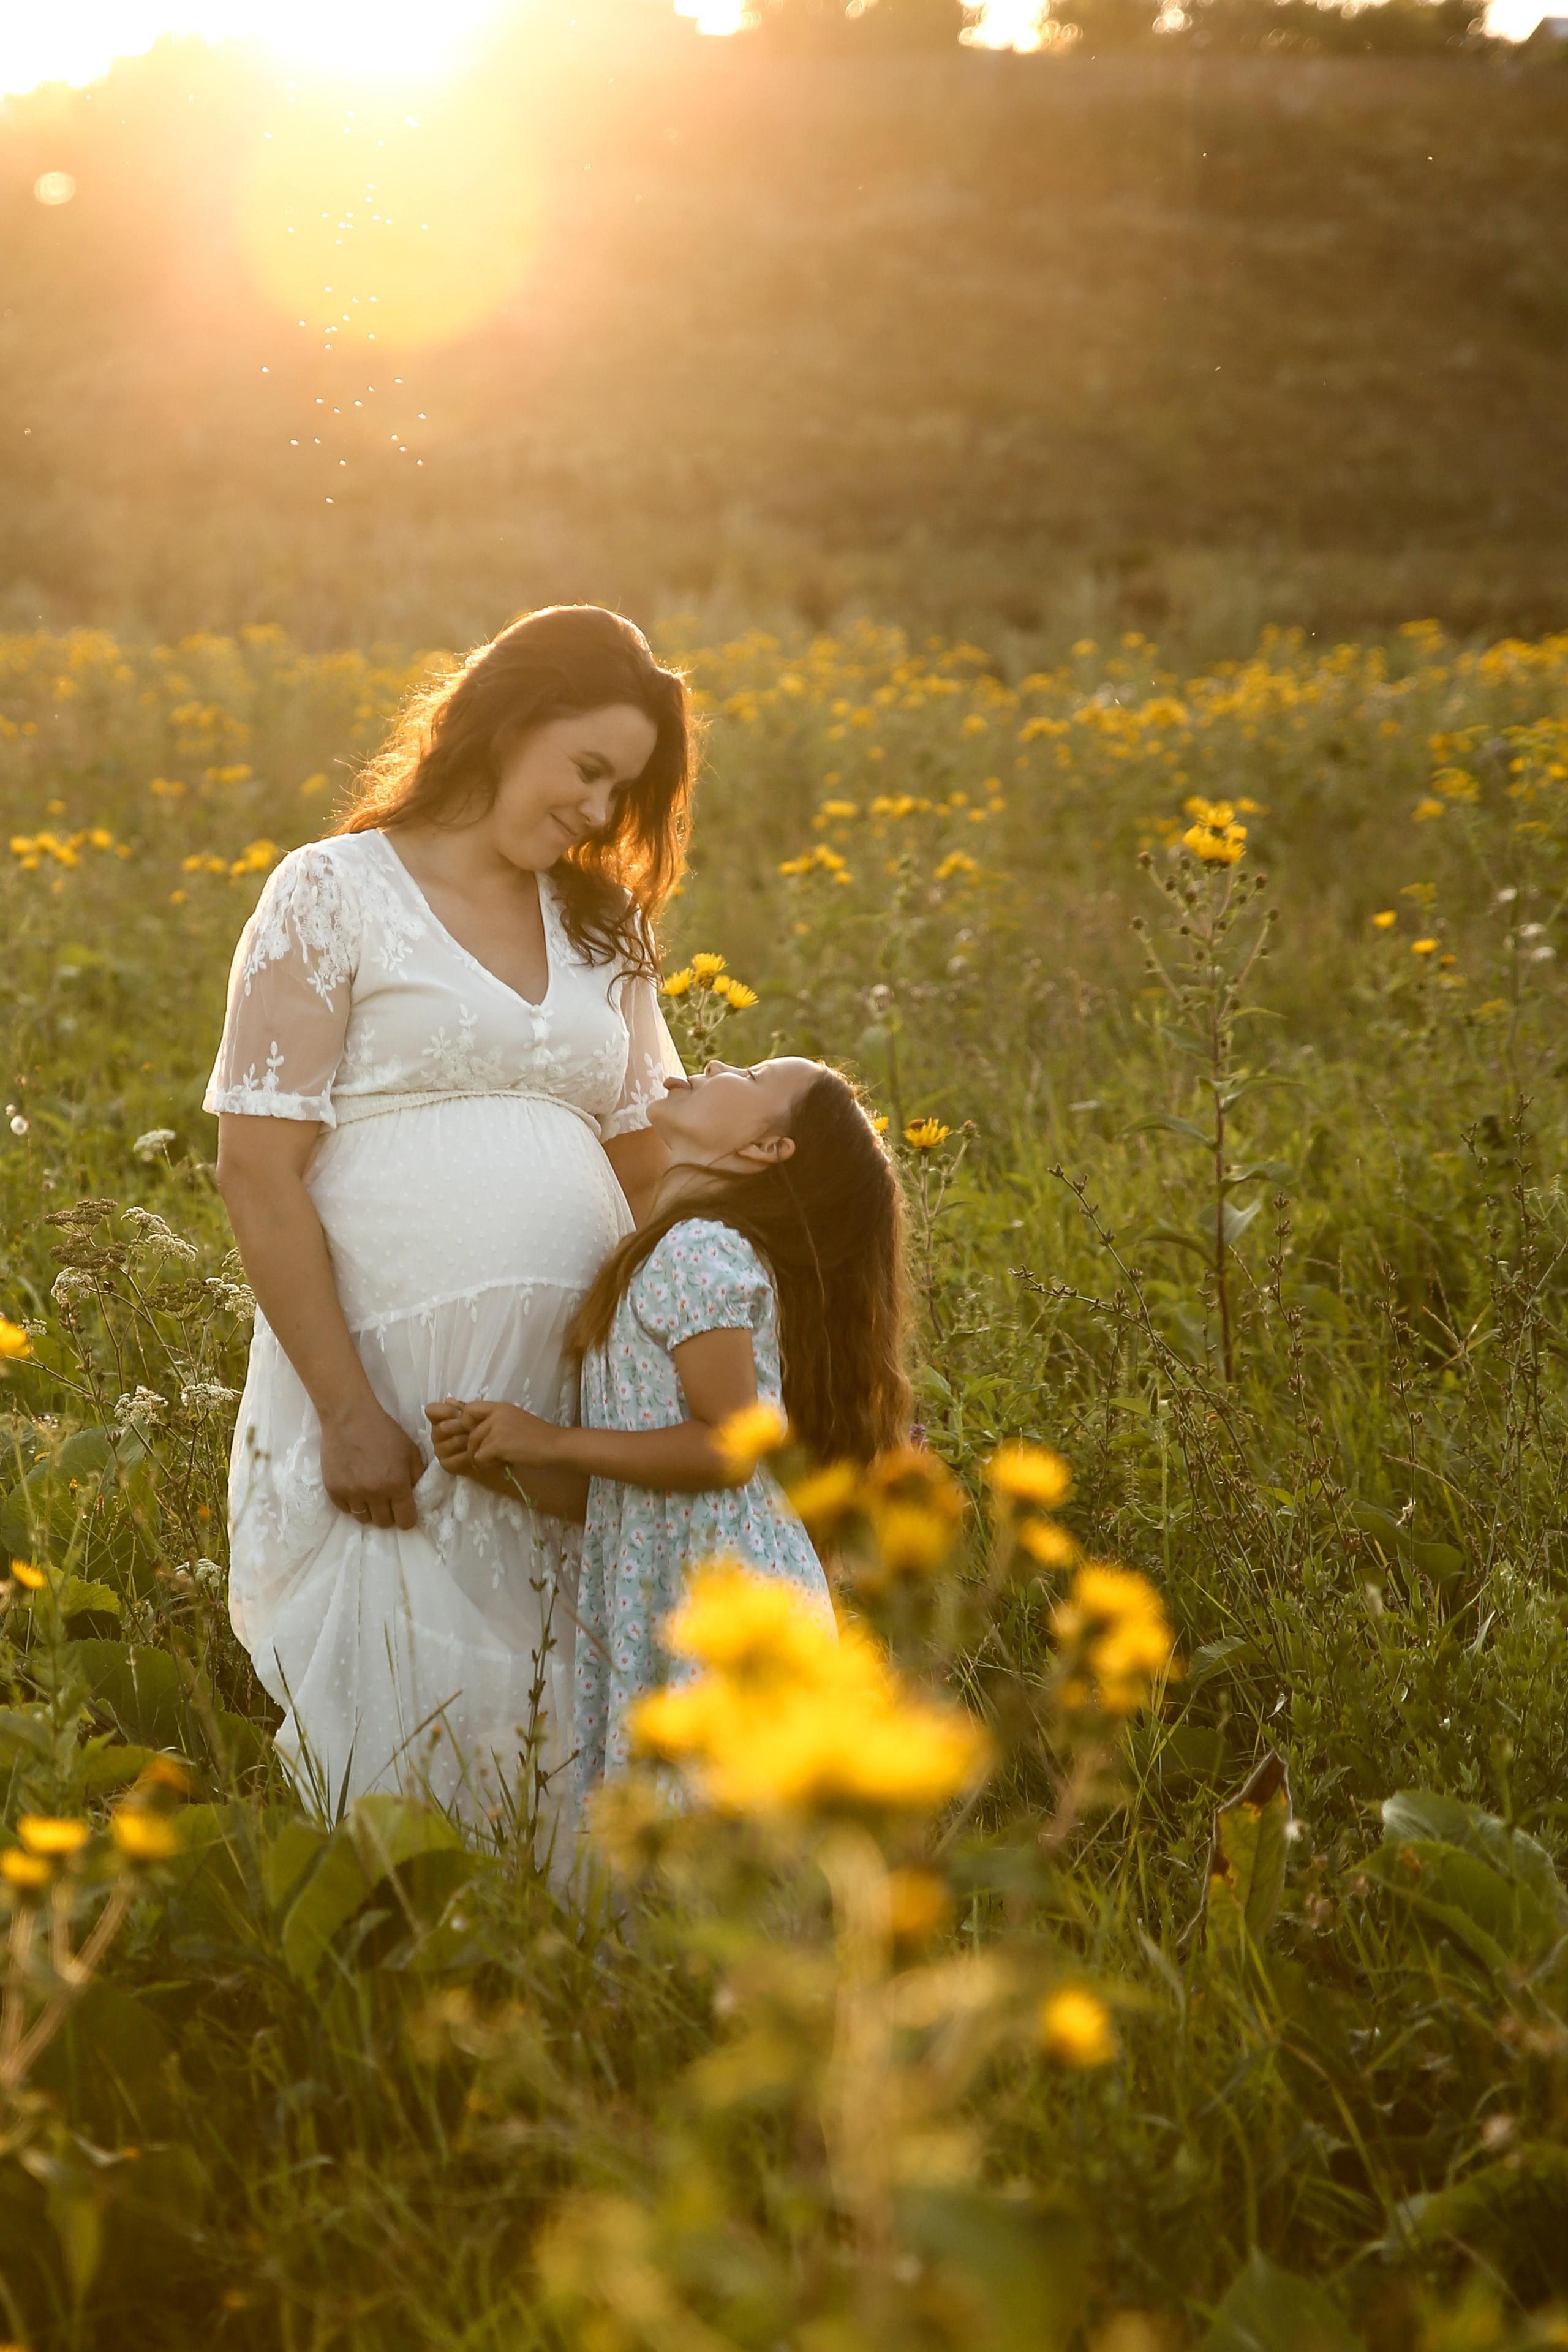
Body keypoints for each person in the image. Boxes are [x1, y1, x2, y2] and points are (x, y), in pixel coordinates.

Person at [206, 605, 692, 1831]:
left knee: (569, 1704)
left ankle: (575, 1988)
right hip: (390, 1398)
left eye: (621, 789)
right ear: (509, 719)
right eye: (587, 769)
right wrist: (346, 1412)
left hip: (573, 1402)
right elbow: (258, 1171)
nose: (597, 809)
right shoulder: (334, 893)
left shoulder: (602, 925)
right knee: (406, 1725)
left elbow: (652, 1171)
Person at [426, 1054, 910, 1809]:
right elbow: (637, 1487)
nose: (715, 1061)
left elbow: (724, 1448)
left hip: (734, 1607)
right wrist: (501, 1458)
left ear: (765, 1149)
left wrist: (546, 1440)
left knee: (727, 1855)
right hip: (688, 1594)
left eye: (750, 1078)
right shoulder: (679, 1249)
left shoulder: (700, 1251)